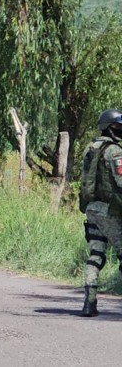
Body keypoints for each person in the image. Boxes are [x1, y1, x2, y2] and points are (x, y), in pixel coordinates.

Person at [78, 109, 122, 317]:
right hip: (110, 210)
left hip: (92, 209)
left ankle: (89, 303)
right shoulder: (114, 151)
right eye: (117, 127)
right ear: (109, 127)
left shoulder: (90, 148)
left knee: (96, 256)